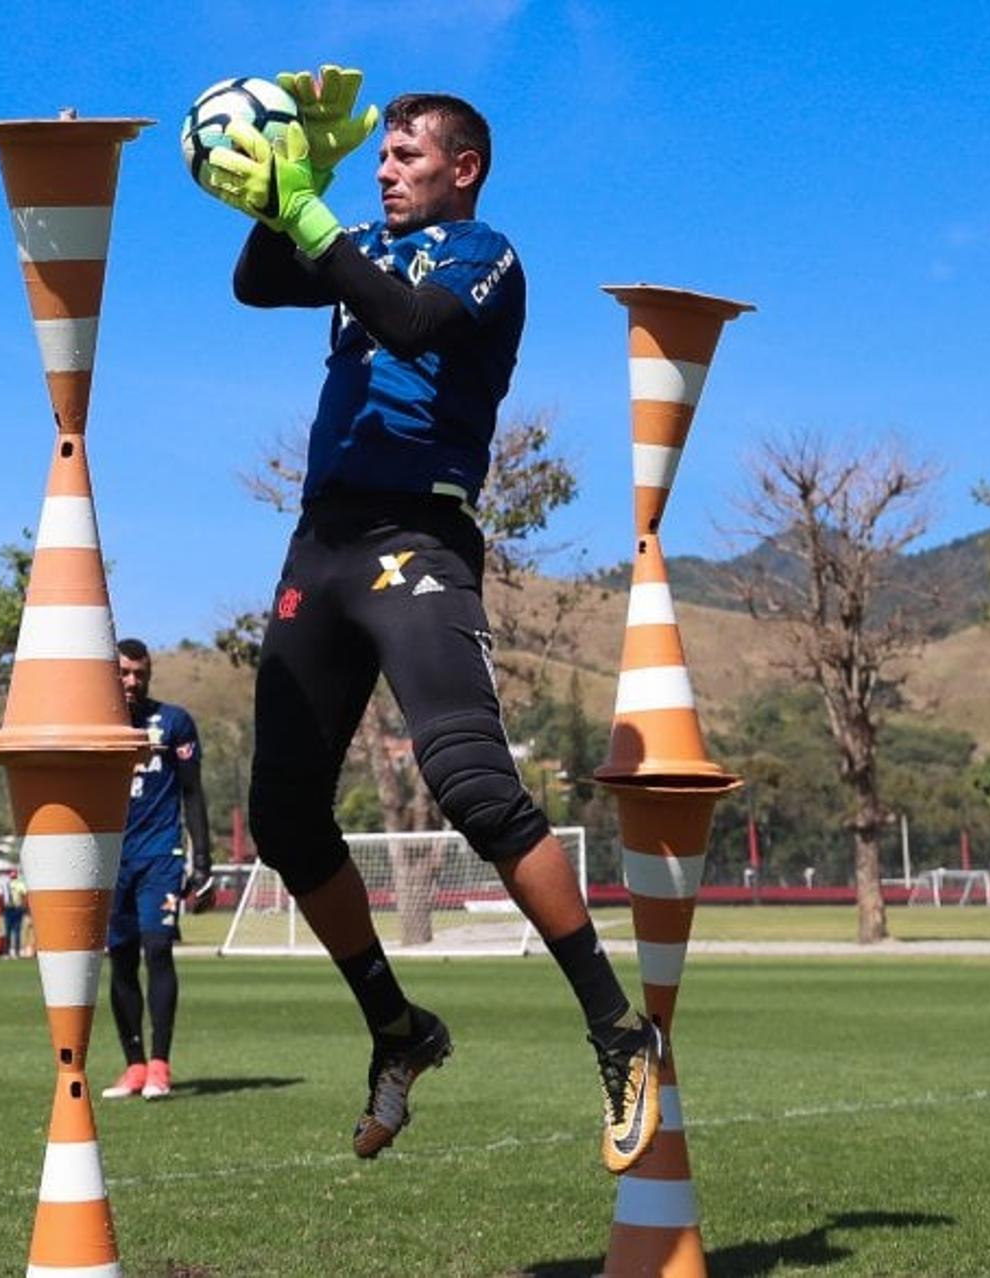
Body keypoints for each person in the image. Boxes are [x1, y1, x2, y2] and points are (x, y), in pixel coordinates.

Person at [202, 67, 665, 1172]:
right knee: (283, 816)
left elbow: (407, 322)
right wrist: (288, 182)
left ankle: (619, 1029)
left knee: (469, 781)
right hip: (321, 543)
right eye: (380, 157)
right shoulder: (352, 233)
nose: (386, 171)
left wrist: (317, 217)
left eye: (405, 157)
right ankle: (397, 1028)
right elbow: (258, 285)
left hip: (419, 537)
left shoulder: (484, 253)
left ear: (464, 168)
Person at [100, 638, 213, 1103]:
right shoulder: (95, 728)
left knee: (158, 948)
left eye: (139, 673)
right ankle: (134, 1065)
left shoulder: (172, 723)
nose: (132, 681)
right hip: (110, 862)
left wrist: (202, 860)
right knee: (121, 959)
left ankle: (161, 1066)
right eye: (124, 672)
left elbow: (192, 793)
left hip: (160, 857)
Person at [2, 866, 28, 959]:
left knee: (17, 931)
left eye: (14, 872)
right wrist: (2, 907)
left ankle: (16, 952)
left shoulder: (20, 884)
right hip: (8, 909)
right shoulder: (5, 884)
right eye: (11, 872)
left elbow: (25, 895)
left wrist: (23, 907)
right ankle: (7, 953)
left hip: (17, 908)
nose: (13, 874)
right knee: (7, 931)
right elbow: (0, 896)